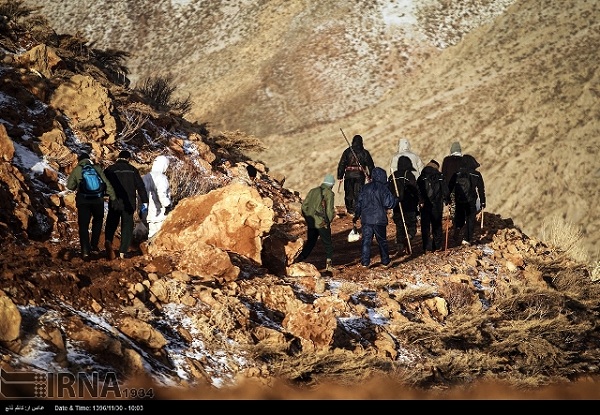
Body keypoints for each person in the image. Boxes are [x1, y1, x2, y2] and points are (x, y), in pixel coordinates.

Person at [66, 152, 117, 259]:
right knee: (98, 221)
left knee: (83, 225)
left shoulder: (78, 169)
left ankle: (85, 251)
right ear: (89, 159)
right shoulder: (97, 168)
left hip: (83, 201)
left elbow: (70, 186)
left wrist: (78, 185)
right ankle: (94, 246)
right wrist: (113, 198)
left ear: (80, 160)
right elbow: (106, 183)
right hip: (98, 200)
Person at [103, 150, 149, 259]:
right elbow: (140, 187)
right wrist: (145, 201)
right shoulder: (133, 170)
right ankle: (123, 251)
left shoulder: (110, 169)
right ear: (128, 159)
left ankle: (108, 240)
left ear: (119, 158)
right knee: (127, 226)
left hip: (115, 202)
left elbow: (103, 185)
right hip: (129, 204)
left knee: (111, 223)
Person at [353, 167, 397, 268]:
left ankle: (365, 263)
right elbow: (389, 204)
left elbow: (359, 203)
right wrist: (396, 199)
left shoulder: (365, 187)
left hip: (366, 219)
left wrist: (356, 215)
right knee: (382, 241)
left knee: (366, 241)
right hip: (379, 219)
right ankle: (385, 262)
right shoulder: (383, 188)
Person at [295, 174, 336, 272]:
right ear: (331, 184)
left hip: (311, 223)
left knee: (310, 242)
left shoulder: (313, 191)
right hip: (322, 223)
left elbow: (304, 207)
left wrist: (309, 219)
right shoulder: (329, 193)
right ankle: (329, 265)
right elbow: (329, 210)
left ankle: (299, 258)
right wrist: (327, 221)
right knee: (328, 244)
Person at [448, 154, 486, 246]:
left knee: (459, 216)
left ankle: (457, 228)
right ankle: (466, 239)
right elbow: (481, 189)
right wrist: (483, 201)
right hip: (471, 200)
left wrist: (447, 199)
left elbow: (449, 187)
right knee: (470, 219)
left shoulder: (456, 174)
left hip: (459, 200)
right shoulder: (476, 175)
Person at [388, 156, 420, 256]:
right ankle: (409, 237)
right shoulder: (409, 175)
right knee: (412, 226)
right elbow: (415, 190)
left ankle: (400, 246)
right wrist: (418, 202)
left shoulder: (392, 176)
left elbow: (388, 191)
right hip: (409, 206)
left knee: (400, 227)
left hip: (397, 206)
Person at [337, 134, 375, 215]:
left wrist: (340, 176)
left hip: (348, 175)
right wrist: (371, 176)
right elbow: (370, 165)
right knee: (358, 192)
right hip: (360, 175)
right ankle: (358, 209)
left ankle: (350, 210)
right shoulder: (365, 152)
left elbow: (342, 164)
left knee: (349, 192)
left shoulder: (347, 151)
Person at [417, 159, 450, 253]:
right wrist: (447, 199)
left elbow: (418, 190)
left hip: (425, 204)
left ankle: (427, 247)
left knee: (425, 226)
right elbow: (445, 190)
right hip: (437, 204)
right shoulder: (440, 176)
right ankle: (438, 245)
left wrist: (420, 201)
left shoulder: (421, 177)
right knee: (437, 224)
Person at [142, 155, 172, 239]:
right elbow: (161, 193)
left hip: (149, 212)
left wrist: (142, 209)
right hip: (160, 211)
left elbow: (141, 194)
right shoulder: (162, 178)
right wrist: (167, 205)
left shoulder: (146, 177)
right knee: (160, 234)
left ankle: (149, 250)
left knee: (151, 233)